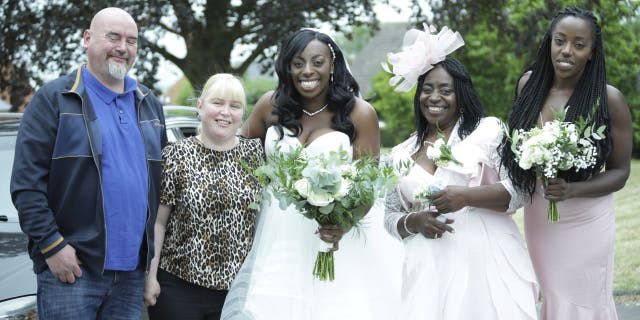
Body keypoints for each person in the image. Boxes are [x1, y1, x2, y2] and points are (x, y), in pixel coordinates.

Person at [221, 28, 403, 320]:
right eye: (298, 62)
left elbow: (367, 186)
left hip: (333, 238)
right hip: (277, 237)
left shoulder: (360, 113)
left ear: (332, 65)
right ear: (287, 66)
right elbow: (239, 160)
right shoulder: (270, 105)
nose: (307, 71)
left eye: (317, 62)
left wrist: (343, 222)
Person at [10, 7, 167, 319]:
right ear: (87, 38)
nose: (123, 47)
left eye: (132, 41)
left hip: (132, 276)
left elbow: (161, 191)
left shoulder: (149, 104)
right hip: (74, 272)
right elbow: (26, 186)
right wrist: (52, 247)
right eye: (114, 37)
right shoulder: (54, 99)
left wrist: (151, 269)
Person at [383, 25, 538, 320]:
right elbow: (390, 218)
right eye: (427, 90)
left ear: (461, 94)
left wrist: (466, 196)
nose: (434, 97)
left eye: (445, 90)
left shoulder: (487, 131)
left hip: (484, 259)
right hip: (428, 268)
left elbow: (518, 191)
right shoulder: (400, 153)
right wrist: (414, 221)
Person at [500, 6, 632, 319]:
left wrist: (572, 190)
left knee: (585, 298)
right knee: (554, 295)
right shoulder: (528, 87)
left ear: (592, 51)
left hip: (588, 217)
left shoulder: (608, 99)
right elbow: (517, 147)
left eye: (578, 44)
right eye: (560, 41)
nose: (567, 51)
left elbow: (620, 173)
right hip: (541, 214)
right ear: (550, 42)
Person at [143, 73, 264, 319]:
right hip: (179, 289)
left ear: (243, 112)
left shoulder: (255, 155)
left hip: (237, 292)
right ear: (200, 106)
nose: (225, 113)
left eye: (235, 106)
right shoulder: (176, 155)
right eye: (217, 103)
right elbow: (158, 223)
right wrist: (150, 277)